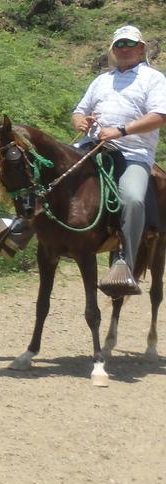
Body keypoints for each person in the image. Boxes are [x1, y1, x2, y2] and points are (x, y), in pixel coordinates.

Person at [72, 24, 166, 293]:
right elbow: (79, 111)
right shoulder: (101, 80)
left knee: (134, 199)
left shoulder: (153, 78)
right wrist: (81, 121)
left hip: (132, 154)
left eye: (129, 44)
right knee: (52, 173)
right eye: (119, 45)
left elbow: (160, 116)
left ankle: (126, 261)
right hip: (93, 146)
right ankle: (18, 229)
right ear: (112, 50)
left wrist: (121, 131)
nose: (124, 49)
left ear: (141, 48)